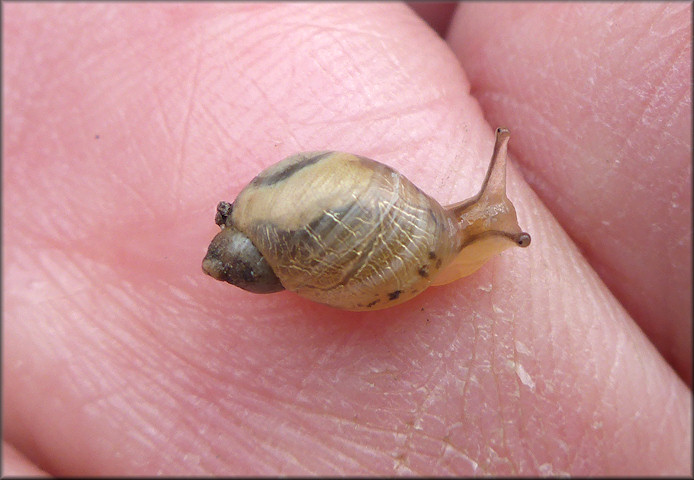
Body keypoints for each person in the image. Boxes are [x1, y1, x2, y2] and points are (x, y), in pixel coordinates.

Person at [3, 2, 691, 476]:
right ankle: (462, 231)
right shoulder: (265, 236)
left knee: (456, 227)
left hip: (350, 238)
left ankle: (463, 229)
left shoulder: (258, 220)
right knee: (455, 232)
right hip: (341, 245)